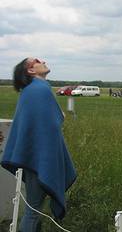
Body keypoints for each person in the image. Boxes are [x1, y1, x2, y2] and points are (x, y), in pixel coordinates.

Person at [1, 58, 77, 231]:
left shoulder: (30, 90)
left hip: (34, 157)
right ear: (31, 71)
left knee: (34, 208)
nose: (43, 60)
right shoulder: (40, 89)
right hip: (39, 159)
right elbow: (53, 123)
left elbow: (45, 123)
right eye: (36, 60)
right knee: (33, 210)